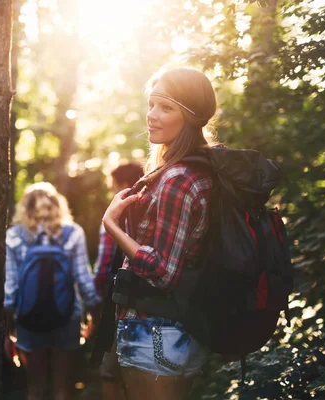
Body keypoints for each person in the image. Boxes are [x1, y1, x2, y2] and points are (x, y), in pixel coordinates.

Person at [101, 67, 218, 400]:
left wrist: (111, 225)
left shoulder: (177, 179)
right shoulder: (202, 169)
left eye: (166, 108)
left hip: (154, 331)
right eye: (152, 104)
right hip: (175, 331)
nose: (152, 115)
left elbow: (162, 272)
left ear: (191, 118)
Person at [4, 182, 101, 400]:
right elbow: (84, 281)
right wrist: (93, 315)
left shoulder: (14, 236)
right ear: (58, 206)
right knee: (62, 389)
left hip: (28, 320)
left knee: (35, 389)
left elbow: (10, 288)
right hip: (67, 318)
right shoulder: (73, 233)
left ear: (24, 208)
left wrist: (6, 330)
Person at [93, 162, 144, 400]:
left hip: (119, 304)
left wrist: (94, 304)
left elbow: (104, 268)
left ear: (123, 185)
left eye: (113, 185)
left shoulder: (113, 218)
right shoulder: (152, 208)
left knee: (110, 373)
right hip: (155, 306)